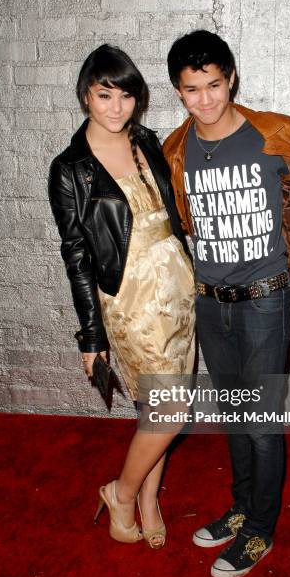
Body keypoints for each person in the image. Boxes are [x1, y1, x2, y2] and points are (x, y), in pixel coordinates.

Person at [163, 30, 290, 577]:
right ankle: (242, 507)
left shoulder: (276, 134)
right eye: (192, 89)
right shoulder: (176, 149)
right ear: (179, 91)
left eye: (214, 85)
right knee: (234, 416)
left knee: (262, 420)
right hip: (210, 302)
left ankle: (261, 529)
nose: (205, 99)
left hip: (266, 301)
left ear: (231, 79)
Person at [48, 44, 195, 549]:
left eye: (126, 95)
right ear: (86, 95)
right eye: (104, 94)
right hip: (131, 298)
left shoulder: (146, 140)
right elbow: (77, 257)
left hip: (177, 290)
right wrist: (91, 336)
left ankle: (150, 499)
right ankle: (123, 492)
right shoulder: (70, 168)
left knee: (158, 410)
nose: (116, 107)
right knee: (172, 411)